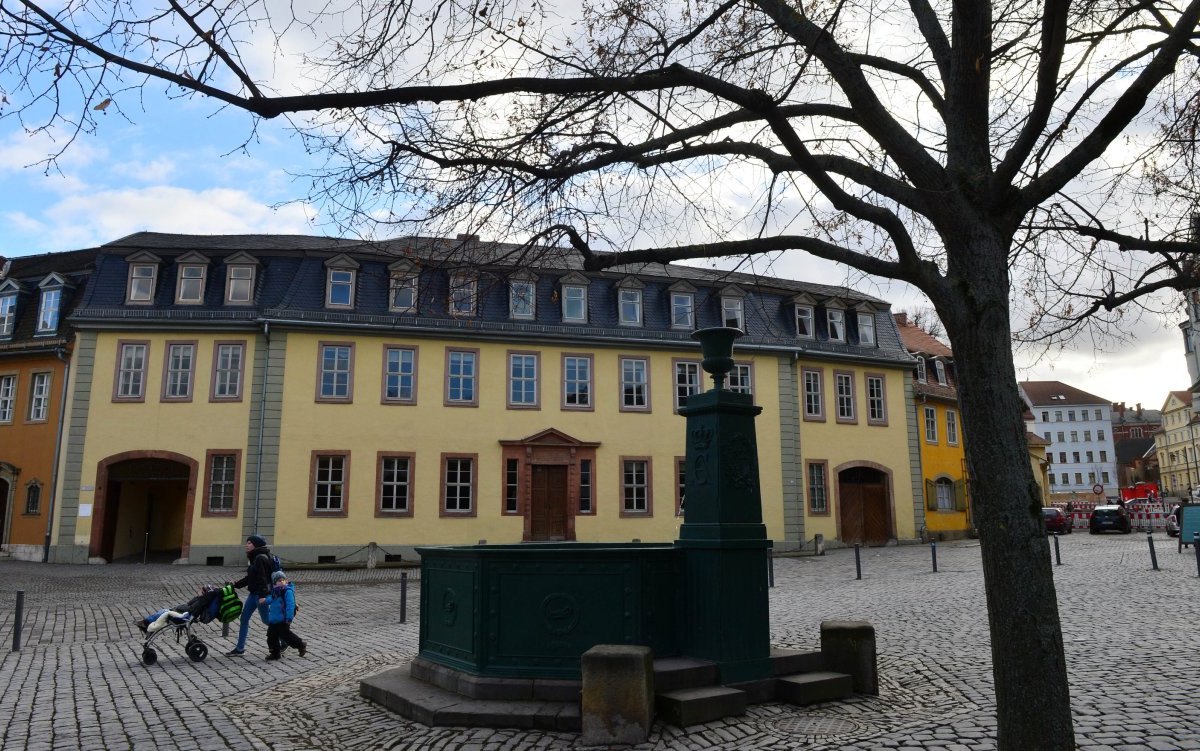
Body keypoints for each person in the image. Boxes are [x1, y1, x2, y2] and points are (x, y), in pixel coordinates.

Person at [226, 535, 275, 656]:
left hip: (260, 595)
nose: (246, 545)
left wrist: (264, 596)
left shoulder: (260, 558)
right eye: (247, 543)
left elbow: (263, 578)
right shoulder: (255, 557)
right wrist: (236, 584)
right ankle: (240, 648)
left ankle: (285, 639)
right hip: (253, 594)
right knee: (244, 619)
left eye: (249, 543)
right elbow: (250, 578)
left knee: (267, 620)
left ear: (256, 545)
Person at [258, 570, 307, 660]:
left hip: (283, 619)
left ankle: (300, 644)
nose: (281, 582)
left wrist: (289, 618)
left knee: (287, 636)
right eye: (278, 580)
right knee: (271, 637)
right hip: (273, 619)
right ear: (274, 582)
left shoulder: (287, 591)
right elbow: (270, 599)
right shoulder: (274, 592)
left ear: (285, 581)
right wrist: (265, 600)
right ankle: (275, 653)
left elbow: (290, 605)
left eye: (282, 580)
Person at [136, 584, 220, 634]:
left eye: (202, 590)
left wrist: (177, 608)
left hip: (184, 617)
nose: (199, 590)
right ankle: (146, 624)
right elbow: (189, 604)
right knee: (163, 611)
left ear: (205, 593)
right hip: (183, 613)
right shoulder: (200, 599)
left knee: (164, 611)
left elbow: (189, 607)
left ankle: (146, 623)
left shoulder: (201, 601)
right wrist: (197, 596)